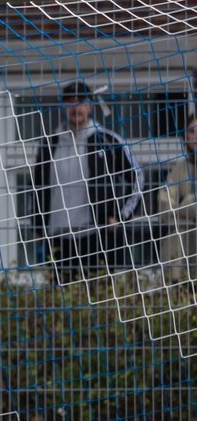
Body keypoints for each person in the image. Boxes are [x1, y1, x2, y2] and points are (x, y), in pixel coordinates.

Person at [34, 80, 143, 283]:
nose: (76, 107)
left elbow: (137, 177)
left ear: (90, 105)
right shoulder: (49, 145)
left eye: (81, 101)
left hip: (95, 237)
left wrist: (120, 216)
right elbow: (37, 188)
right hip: (58, 239)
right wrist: (39, 228)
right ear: (63, 106)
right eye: (70, 102)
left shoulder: (107, 140)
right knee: (61, 306)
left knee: (97, 301)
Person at [157, 114, 197, 286]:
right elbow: (164, 206)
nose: (195, 135)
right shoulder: (179, 168)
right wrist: (189, 205)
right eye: (191, 131)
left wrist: (184, 204)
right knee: (178, 232)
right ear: (186, 136)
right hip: (185, 253)